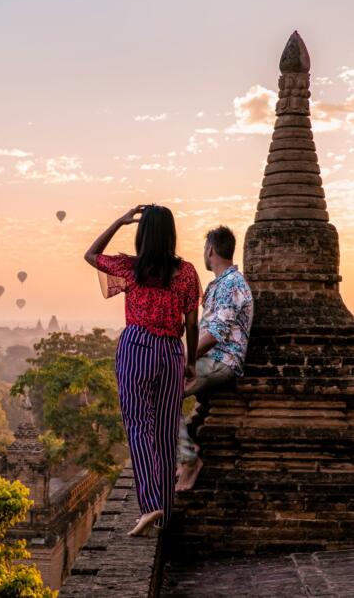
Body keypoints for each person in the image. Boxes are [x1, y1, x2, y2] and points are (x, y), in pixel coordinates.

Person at [85, 205, 200, 537]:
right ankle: (163, 515)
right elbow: (191, 323)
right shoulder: (188, 272)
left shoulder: (131, 268)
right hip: (171, 352)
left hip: (136, 346)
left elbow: (91, 254)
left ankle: (151, 506)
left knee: (139, 428)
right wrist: (190, 361)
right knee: (165, 435)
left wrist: (118, 221)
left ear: (142, 233)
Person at [175, 226, 253, 491]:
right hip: (212, 358)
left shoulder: (231, 284)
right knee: (159, 387)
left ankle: (188, 459)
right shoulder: (219, 284)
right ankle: (186, 449)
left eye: (204, 248)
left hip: (222, 359)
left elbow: (216, 334)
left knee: (160, 392)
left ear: (210, 249)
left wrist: (187, 360)